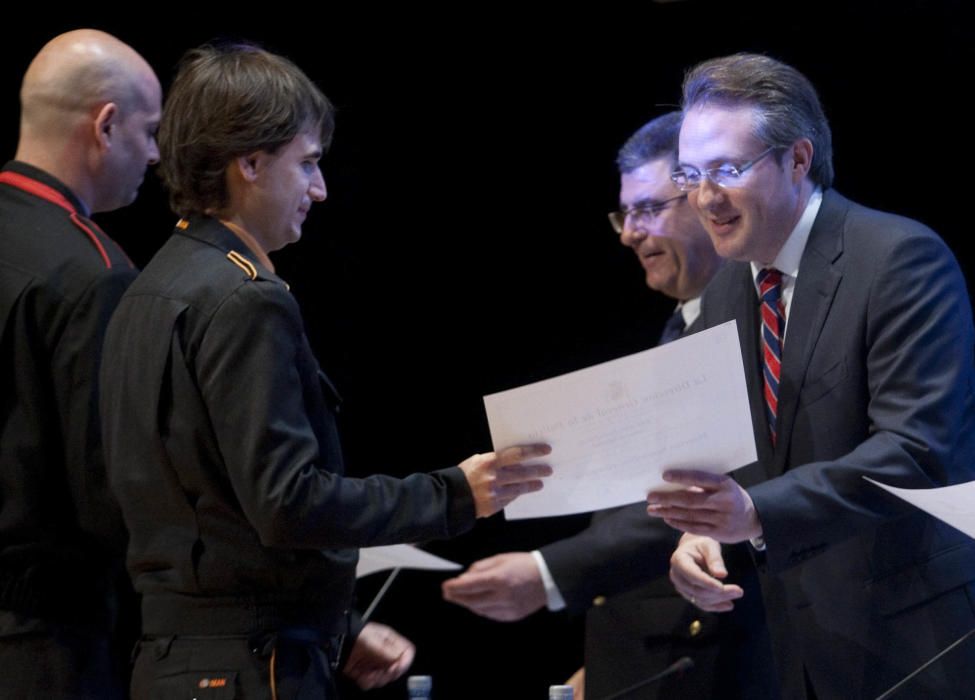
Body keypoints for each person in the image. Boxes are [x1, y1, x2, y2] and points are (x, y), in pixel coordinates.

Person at [99, 42, 551, 699]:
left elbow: (212, 514)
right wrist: (456, 492)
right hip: (253, 671)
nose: (320, 188)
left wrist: (333, 619)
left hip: (171, 664)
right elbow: (288, 504)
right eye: (307, 163)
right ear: (249, 163)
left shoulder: (145, 289)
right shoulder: (247, 297)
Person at [646, 53, 975, 698]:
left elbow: (915, 450)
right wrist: (699, 532)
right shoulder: (725, 294)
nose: (705, 197)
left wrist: (753, 512)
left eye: (727, 170)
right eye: (691, 173)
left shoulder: (899, 259)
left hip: (916, 641)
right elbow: (739, 459)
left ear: (798, 160)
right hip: (798, 646)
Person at [443, 112, 775, 700]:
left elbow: (706, 498)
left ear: (704, 198)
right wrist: (606, 659)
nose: (629, 233)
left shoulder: (758, 328)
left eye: (648, 209)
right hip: (660, 653)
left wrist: (550, 574)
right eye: (626, 214)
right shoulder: (682, 327)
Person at [0, 29, 161, 697]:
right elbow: (110, 492)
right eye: (149, 133)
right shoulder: (93, 271)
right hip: (44, 642)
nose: (154, 155)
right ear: (106, 124)